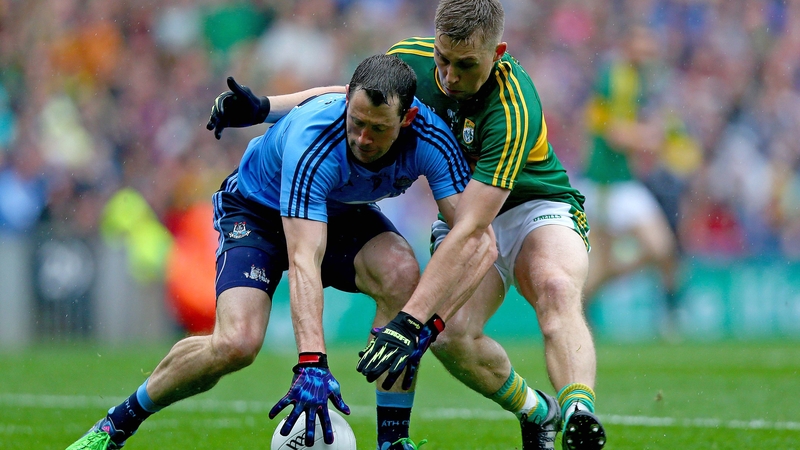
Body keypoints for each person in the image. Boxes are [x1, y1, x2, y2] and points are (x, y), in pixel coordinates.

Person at [209, 2, 606, 449]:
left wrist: (411, 320)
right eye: (443, 59)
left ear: (498, 52)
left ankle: (578, 410)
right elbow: (348, 96)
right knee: (451, 338)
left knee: (554, 286)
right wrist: (265, 108)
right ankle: (538, 412)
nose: (450, 76)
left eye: (466, 65)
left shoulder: (514, 109)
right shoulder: (411, 61)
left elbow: (474, 232)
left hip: (533, 205)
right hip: (463, 210)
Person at [65, 54, 483, 450]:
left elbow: (472, 236)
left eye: (377, 129)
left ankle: (392, 440)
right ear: (345, 106)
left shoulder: (432, 140)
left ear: (407, 118)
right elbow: (304, 260)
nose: (362, 138)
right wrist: (312, 364)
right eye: (355, 123)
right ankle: (115, 424)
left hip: (336, 210)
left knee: (401, 274)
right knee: (236, 343)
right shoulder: (315, 141)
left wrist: (425, 322)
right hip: (257, 211)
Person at [579, 24, 695, 338]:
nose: (649, 50)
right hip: (604, 184)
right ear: (628, 44)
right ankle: (582, 309)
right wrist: (652, 139)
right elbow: (614, 134)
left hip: (625, 181)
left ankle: (587, 303)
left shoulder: (640, 78)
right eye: (643, 42)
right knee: (651, 250)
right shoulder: (614, 77)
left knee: (659, 250)